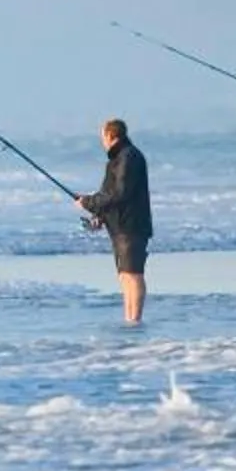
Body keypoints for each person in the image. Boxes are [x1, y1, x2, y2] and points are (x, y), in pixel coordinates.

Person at [76, 117, 152, 326]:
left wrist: (89, 202)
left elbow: (120, 194)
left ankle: (135, 319)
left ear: (110, 135)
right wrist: (99, 215)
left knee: (133, 273)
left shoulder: (128, 157)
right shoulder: (117, 159)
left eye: (103, 136)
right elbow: (109, 193)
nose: (102, 141)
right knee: (125, 275)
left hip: (131, 225)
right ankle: (129, 317)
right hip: (118, 225)